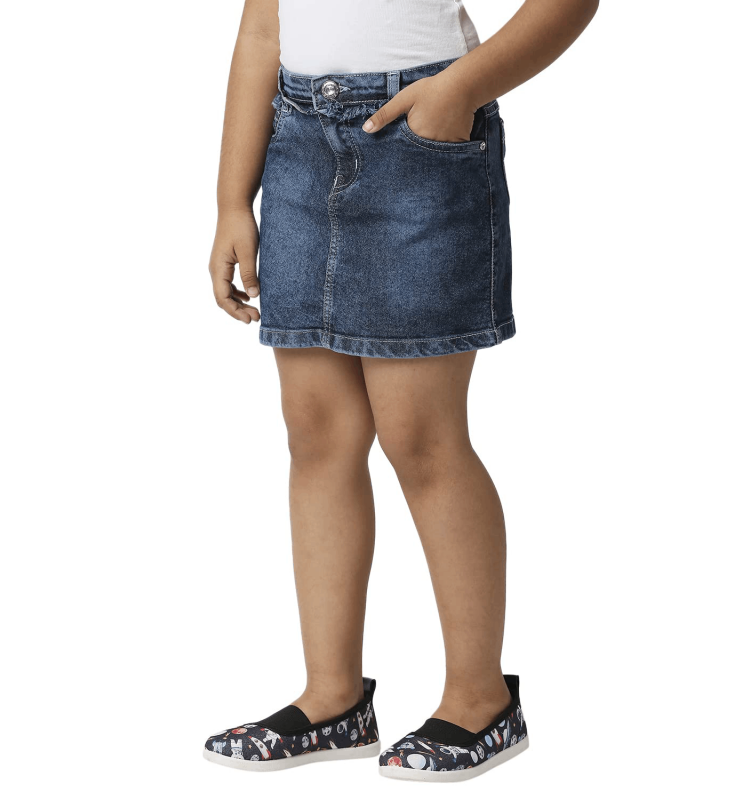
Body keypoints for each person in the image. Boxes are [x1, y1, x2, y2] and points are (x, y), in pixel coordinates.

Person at [203, 0, 597, 782]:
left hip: (418, 138)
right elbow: (261, 29)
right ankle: (333, 698)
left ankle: (481, 698)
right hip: (297, 144)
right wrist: (230, 201)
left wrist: (457, 91)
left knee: (420, 435)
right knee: (316, 431)